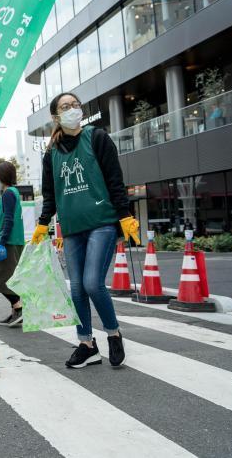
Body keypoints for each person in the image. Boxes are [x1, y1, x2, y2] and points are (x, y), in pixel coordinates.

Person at [32, 92, 138, 369]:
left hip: (101, 222)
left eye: (75, 105)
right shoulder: (51, 153)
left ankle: (113, 334)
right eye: (65, 107)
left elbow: (115, 179)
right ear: (56, 116)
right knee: (77, 288)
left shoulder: (97, 137)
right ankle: (87, 345)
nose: (72, 109)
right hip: (71, 228)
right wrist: (43, 222)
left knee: (92, 283)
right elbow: (50, 193)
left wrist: (125, 215)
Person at [0, 161, 25, 327]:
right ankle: (16, 311)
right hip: (10, 241)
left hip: (7, 242)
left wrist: (1, 242)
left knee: (0, 279)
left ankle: (19, 307)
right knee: (6, 278)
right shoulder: (12, 193)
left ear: (2, 176)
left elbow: (8, 220)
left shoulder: (9, 193)